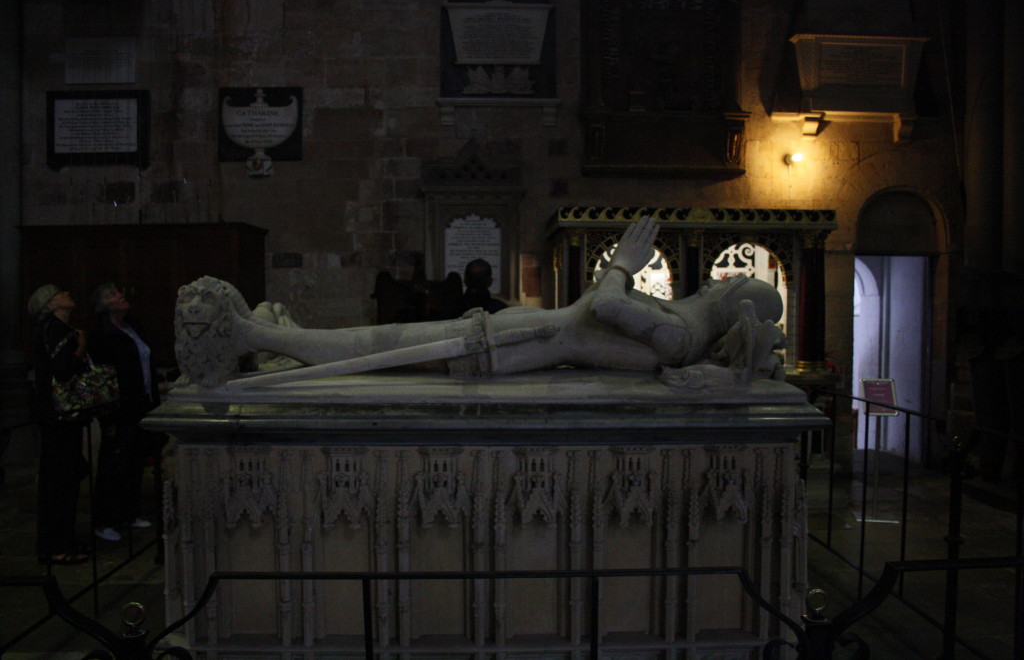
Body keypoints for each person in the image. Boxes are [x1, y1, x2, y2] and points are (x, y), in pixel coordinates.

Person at [174, 217, 786, 390]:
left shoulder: (682, 335)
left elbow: (607, 307)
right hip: (516, 334)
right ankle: (275, 339)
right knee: (383, 348)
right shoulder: (685, 325)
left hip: (507, 351)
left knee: (381, 351)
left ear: (732, 298)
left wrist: (624, 265)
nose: (718, 282)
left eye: (729, 283)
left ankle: (256, 339)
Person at [88, 283, 165, 541]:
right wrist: (107, 416)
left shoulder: (133, 327)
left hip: (142, 403)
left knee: (134, 461)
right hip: (121, 408)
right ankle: (105, 520)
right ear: (103, 305)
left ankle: (129, 513)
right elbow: (103, 378)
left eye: (119, 293)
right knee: (114, 464)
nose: (120, 296)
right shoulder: (102, 335)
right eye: (112, 295)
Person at [27, 284, 91, 565]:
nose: (67, 293)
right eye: (60, 294)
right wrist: (80, 348)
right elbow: (62, 371)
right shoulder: (53, 331)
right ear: (51, 305)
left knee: (66, 481)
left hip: (62, 417)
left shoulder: (56, 329)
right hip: (59, 416)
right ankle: (56, 545)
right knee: (59, 483)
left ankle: (63, 540)